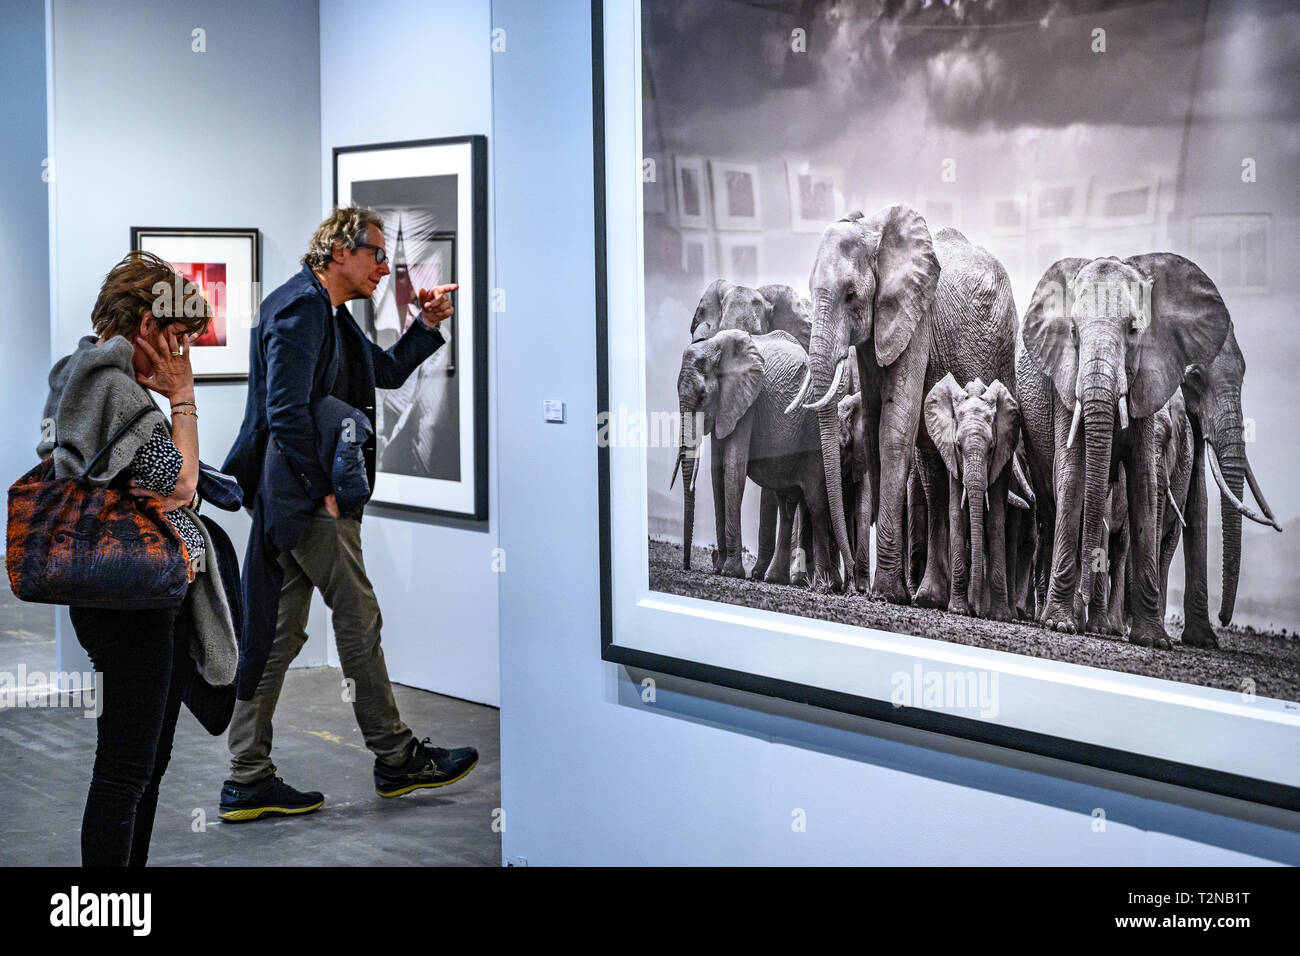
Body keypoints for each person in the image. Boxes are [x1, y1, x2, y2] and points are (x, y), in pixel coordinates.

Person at [218, 205, 477, 822]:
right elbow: (284, 411)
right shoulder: (301, 308)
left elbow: (382, 373)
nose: (386, 268)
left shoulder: (326, 310)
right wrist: (322, 492)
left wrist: (426, 322)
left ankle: (246, 776)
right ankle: (396, 757)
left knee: (276, 638)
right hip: (302, 501)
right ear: (340, 251)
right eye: (377, 255)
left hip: (292, 499)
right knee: (359, 620)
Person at [42, 251, 213, 865]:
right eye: (178, 338)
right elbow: (181, 483)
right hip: (132, 601)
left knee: (141, 767)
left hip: (117, 595)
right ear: (147, 326)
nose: (181, 355)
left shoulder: (79, 372)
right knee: (125, 770)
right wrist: (185, 400)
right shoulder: (117, 392)